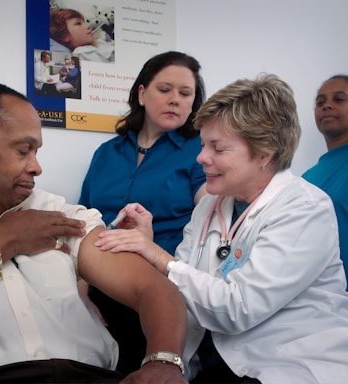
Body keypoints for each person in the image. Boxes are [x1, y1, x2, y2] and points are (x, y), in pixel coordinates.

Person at [94, 73, 348, 383]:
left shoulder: (305, 208)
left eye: (218, 148)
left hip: (285, 362)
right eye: (203, 145)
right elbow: (182, 289)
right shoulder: (210, 206)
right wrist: (166, 358)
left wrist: (158, 255)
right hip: (211, 358)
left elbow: (237, 308)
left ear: (265, 154)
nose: (201, 157)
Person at [0, 80, 188, 384]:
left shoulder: (57, 214)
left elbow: (152, 288)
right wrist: (3, 239)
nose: (37, 167)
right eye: (23, 150)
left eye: (36, 151)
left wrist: (163, 360)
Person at [78, 51, 207, 375]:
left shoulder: (202, 152)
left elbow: (212, 218)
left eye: (185, 93)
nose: (175, 100)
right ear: (141, 93)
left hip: (165, 286)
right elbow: (82, 220)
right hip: (101, 281)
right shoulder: (107, 152)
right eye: (165, 89)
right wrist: (80, 287)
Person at [302, 74, 348, 286]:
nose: (327, 105)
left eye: (339, 99)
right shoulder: (306, 179)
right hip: (320, 302)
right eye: (321, 102)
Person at [50, 8, 114, 63]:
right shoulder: (82, 53)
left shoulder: (92, 46)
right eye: (78, 23)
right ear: (64, 37)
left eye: (84, 22)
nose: (88, 26)